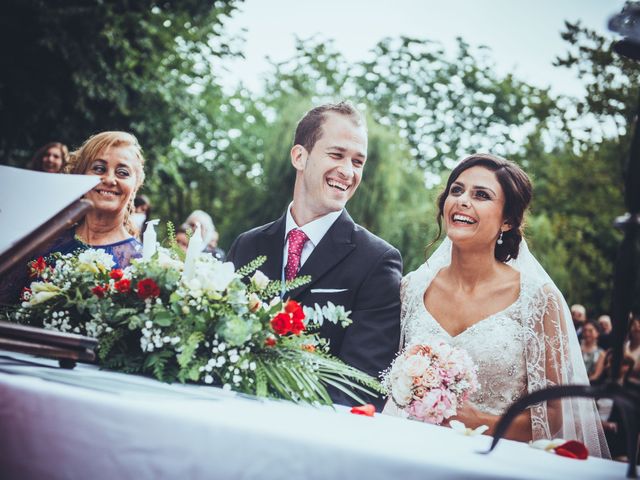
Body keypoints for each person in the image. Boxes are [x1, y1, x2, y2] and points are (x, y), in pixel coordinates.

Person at [384, 153, 609, 457]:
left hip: (493, 459)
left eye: (481, 195)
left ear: (508, 221)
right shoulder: (412, 288)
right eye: (456, 190)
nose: (463, 200)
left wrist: (483, 423)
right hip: (407, 451)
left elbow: (555, 413)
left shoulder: (538, 300)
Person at [227, 101, 403, 410]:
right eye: (336, 155)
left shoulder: (377, 261)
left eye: (358, 161)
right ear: (300, 156)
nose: (348, 172)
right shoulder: (247, 246)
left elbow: (360, 384)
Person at [0, 131, 145, 305]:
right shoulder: (42, 241)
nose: (109, 179)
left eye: (122, 172)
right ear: (80, 175)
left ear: (135, 186)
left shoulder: (140, 262)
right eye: (99, 168)